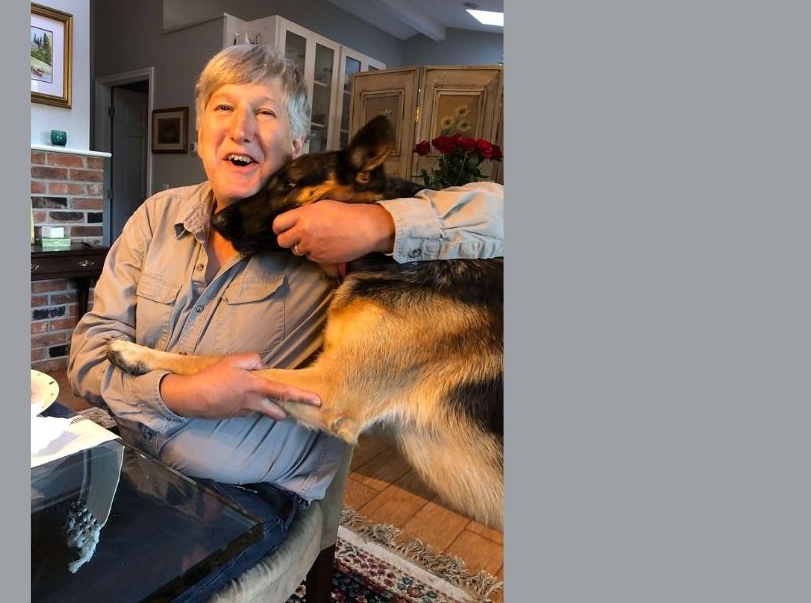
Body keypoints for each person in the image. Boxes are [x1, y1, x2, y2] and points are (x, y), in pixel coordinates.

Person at [67, 43, 503, 600]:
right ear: (200, 133)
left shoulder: (328, 243)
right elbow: (90, 351)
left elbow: (502, 214)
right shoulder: (155, 216)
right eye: (224, 108)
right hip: (125, 458)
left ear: (296, 144)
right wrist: (179, 392)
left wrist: (376, 225)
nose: (241, 128)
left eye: (266, 112)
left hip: (244, 494)